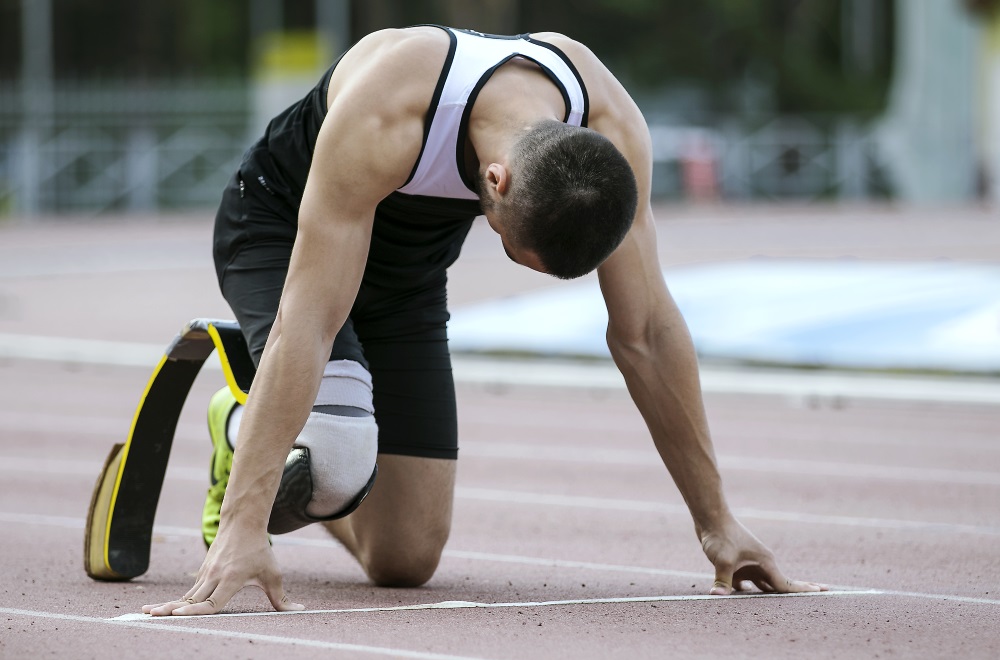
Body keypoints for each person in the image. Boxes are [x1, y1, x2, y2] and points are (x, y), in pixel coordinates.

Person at [143, 25, 824, 617]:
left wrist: (717, 524)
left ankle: (281, 440)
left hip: (407, 275)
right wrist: (246, 521)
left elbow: (645, 332)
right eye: (512, 246)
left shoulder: (610, 126)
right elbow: (310, 322)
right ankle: (244, 430)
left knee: (405, 557)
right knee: (340, 454)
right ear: (494, 182)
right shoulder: (391, 107)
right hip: (281, 234)